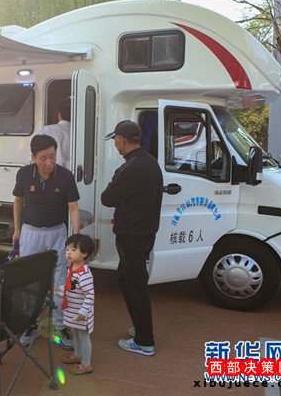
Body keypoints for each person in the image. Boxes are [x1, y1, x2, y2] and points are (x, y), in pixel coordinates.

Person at [101, 120, 163, 357]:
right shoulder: (150, 162)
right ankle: (140, 327)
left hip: (132, 236)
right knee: (128, 279)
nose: (115, 143)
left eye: (115, 139)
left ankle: (144, 340)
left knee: (135, 286)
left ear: (122, 140)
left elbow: (107, 198)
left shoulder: (130, 168)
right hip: (145, 233)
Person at [12, 134, 80, 349]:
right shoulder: (24, 174)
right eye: (43, 158)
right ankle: (31, 323)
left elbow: (73, 207)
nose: (49, 162)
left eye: (52, 156)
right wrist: (17, 229)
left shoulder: (65, 176)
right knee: (30, 279)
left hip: (57, 232)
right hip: (31, 233)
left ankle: (60, 325)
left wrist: (76, 236)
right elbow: (18, 201)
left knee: (60, 280)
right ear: (33, 157)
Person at [60, 234, 95, 375]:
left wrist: (83, 313)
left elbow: (90, 295)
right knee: (75, 333)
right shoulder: (72, 268)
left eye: (73, 250)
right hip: (73, 311)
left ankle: (86, 364)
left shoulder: (84, 274)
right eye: (67, 249)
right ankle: (77, 355)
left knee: (83, 337)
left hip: (81, 314)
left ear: (84, 253)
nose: (69, 253)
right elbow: (70, 286)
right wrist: (60, 289)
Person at [40, 98, 71, 168]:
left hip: (49, 171)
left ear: (59, 115)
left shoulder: (46, 130)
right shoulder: (80, 134)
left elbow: (34, 155)